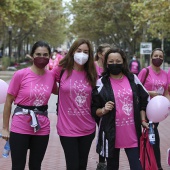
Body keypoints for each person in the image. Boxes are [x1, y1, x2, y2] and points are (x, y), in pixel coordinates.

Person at [1, 41, 57, 170]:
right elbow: (9, 101)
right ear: (32, 56)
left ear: (49, 56)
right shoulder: (21, 74)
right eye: (38, 54)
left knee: (35, 166)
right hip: (20, 125)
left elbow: (61, 90)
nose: (41, 57)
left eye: (45, 54)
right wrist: (5, 128)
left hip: (42, 127)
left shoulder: (51, 76)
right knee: (18, 166)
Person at [91, 48, 149, 170]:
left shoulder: (133, 79)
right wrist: (103, 110)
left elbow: (144, 100)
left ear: (123, 62)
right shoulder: (101, 83)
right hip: (110, 134)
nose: (114, 64)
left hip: (132, 134)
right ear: (106, 63)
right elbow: (94, 109)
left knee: (137, 166)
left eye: (118, 61)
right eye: (111, 61)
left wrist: (143, 120)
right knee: (112, 167)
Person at [52, 38, 97, 170]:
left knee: (82, 166)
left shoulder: (93, 73)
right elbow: (46, 83)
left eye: (86, 51)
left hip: (87, 128)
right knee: (72, 166)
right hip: (67, 128)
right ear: (72, 52)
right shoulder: (60, 70)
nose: (82, 54)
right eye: (79, 50)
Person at [138, 48, 170, 170]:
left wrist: (167, 103)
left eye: (161, 56)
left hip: (156, 113)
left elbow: (166, 92)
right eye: (156, 56)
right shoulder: (145, 71)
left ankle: (154, 165)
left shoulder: (164, 74)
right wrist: (151, 93)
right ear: (151, 57)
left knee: (153, 137)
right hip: (143, 109)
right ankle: (146, 163)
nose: (158, 58)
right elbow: (136, 89)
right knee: (147, 137)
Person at [94, 43, 111, 170]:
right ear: (100, 54)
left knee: (104, 131)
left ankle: (102, 161)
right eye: (106, 53)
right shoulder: (92, 66)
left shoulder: (110, 68)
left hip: (105, 105)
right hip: (91, 104)